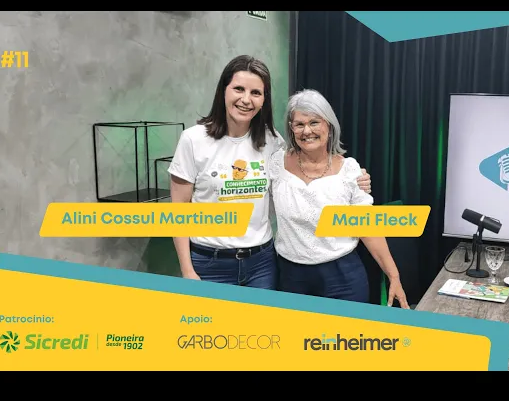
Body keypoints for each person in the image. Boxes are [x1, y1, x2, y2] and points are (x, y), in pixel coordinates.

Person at [168, 55, 372, 289]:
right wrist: (187, 270)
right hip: (209, 263)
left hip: (261, 265)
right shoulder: (193, 139)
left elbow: (303, 177)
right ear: (223, 90)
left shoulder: (273, 141)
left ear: (264, 99)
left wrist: (353, 177)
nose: (246, 99)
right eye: (238, 89)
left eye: (256, 92)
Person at [268, 88, 410, 308]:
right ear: (291, 128)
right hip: (291, 277)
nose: (307, 131)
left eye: (314, 122)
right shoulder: (276, 163)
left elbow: (367, 228)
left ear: (329, 125)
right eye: (299, 124)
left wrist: (393, 275)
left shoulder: (350, 170)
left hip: (342, 278)